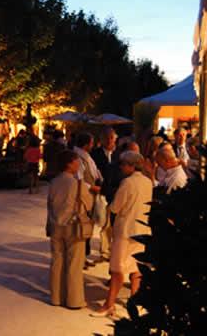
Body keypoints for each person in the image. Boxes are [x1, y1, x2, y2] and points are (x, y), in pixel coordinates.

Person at [92, 152, 152, 317]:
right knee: (136, 269)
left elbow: (116, 207)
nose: (121, 167)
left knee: (117, 269)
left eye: (124, 164)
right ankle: (135, 303)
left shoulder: (127, 183)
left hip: (126, 231)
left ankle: (109, 304)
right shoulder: (148, 182)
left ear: (132, 166)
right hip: (142, 230)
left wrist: (109, 207)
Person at [46, 150, 95, 309]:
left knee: (57, 261)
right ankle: (74, 300)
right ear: (69, 163)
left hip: (56, 225)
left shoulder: (54, 182)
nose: (79, 164)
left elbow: (50, 204)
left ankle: (56, 297)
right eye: (76, 161)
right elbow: (88, 204)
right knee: (74, 264)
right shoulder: (76, 184)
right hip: (73, 226)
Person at [73, 132, 103, 267]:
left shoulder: (86, 156)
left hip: (90, 196)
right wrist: (92, 187)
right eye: (91, 143)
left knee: (87, 228)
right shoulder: (78, 158)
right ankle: (80, 258)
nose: (93, 145)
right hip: (84, 198)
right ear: (86, 145)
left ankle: (84, 256)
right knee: (82, 228)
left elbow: (95, 172)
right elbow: (79, 180)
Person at [91, 127, 118, 263]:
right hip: (101, 192)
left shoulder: (119, 154)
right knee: (104, 223)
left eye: (111, 137)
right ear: (101, 140)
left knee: (114, 224)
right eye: (106, 138)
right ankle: (105, 252)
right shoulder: (95, 154)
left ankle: (111, 250)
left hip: (115, 193)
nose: (109, 140)